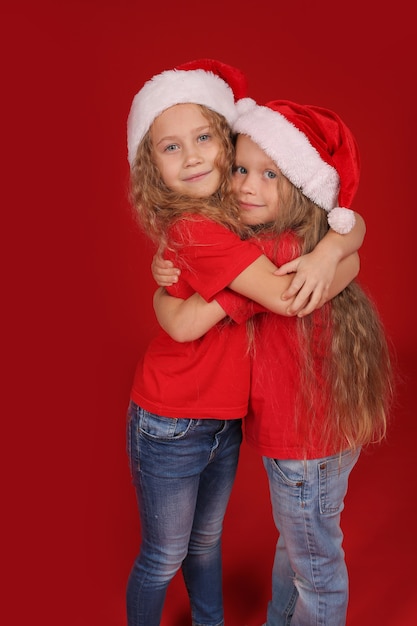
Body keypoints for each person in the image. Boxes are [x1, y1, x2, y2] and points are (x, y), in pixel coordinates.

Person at [151, 98, 393, 626]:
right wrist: (336, 251)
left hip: (305, 445)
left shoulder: (282, 250)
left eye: (269, 175)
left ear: (304, 187)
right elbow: (352, 230)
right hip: (315, 438)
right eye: (240, 169)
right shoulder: (295, 242)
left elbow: (193, 320)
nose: (244, 186)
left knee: (315, 568)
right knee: (300, 549)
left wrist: (334, 252)